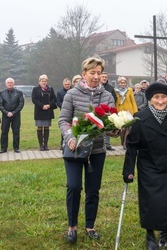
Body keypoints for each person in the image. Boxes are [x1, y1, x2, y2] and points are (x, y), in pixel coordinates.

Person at [58, 57, 116, 244]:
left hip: (97, 151)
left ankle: (90, 226)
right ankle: (72, 227)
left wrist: (115, 129)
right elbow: (63, 120)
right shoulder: (72, 94)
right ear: (84, 74)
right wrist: (70, 137)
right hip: (74, 151)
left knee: (93, 190)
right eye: (92, 73)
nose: (96, 76)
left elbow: (111, 124)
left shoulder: (107, 96)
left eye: (99, 73)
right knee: (74, 187)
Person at [123, 82, 167, 250]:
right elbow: (132, 145)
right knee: (150, 202)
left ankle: (164, 232)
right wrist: (128, 170)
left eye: (163, 97)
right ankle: (150, 235)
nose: (160, 101)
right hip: (148, 165)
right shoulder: (140, 117)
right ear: (150, 99)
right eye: (156, 97)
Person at [0, 78, 24, 153]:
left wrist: (14, 112)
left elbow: (21, 104)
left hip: (16, 115)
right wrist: (6, 112)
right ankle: (3, 148)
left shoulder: (19, 93)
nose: (9, 84)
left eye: (11, 83)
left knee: (16, 131)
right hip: (6, 115)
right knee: (4, 132)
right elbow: (0, 104)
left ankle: (16, 148)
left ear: (13, 84)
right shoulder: (2, 93)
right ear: (6, 84)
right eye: (8, 83)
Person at [32, 74, 57, 151]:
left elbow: (54, 99)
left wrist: (49, 105)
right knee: (39, 127)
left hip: (48, 111)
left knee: (46, 127)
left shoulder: (50, 89)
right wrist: (42, 106)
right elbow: (34, 99)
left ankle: (46, 144)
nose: (44, 82)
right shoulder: (35, 89)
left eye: (45, 81)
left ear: (47, 81)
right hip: (39, 111)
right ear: (40, 81)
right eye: (42, 81)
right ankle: (41, 145)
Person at [115, 76, 138, 149]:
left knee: (128, 128)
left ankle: (125, 143)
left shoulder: (129, 90)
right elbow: (115, 101)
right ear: (118, 83)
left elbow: (133, 101)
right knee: (122, 129)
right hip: (120, 111)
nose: (123, 84)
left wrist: (135, 111)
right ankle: (122, 142)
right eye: (121, 83)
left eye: (124, 82)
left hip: (129, 111)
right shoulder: (116, 91)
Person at [100, 72, 116, 151]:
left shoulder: (110, 88)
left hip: (108, 111)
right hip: (98, 111)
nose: (104, 78)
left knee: (108, 128)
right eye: (103, 77)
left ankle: (107, 144)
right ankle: (100, 144)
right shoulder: (97, 86)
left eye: (105, 77)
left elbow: (114, 99)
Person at [56, 78, 72, 150]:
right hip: (64, 112)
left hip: (72, 113)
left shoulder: (73, 91)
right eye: (65, 84)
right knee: (64, 128)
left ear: (70, 84)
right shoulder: (60, 92)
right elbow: (58, 102)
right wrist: (65, 107)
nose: (67, 86)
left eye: (68, 84)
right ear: (63, 84)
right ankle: (63, 143)